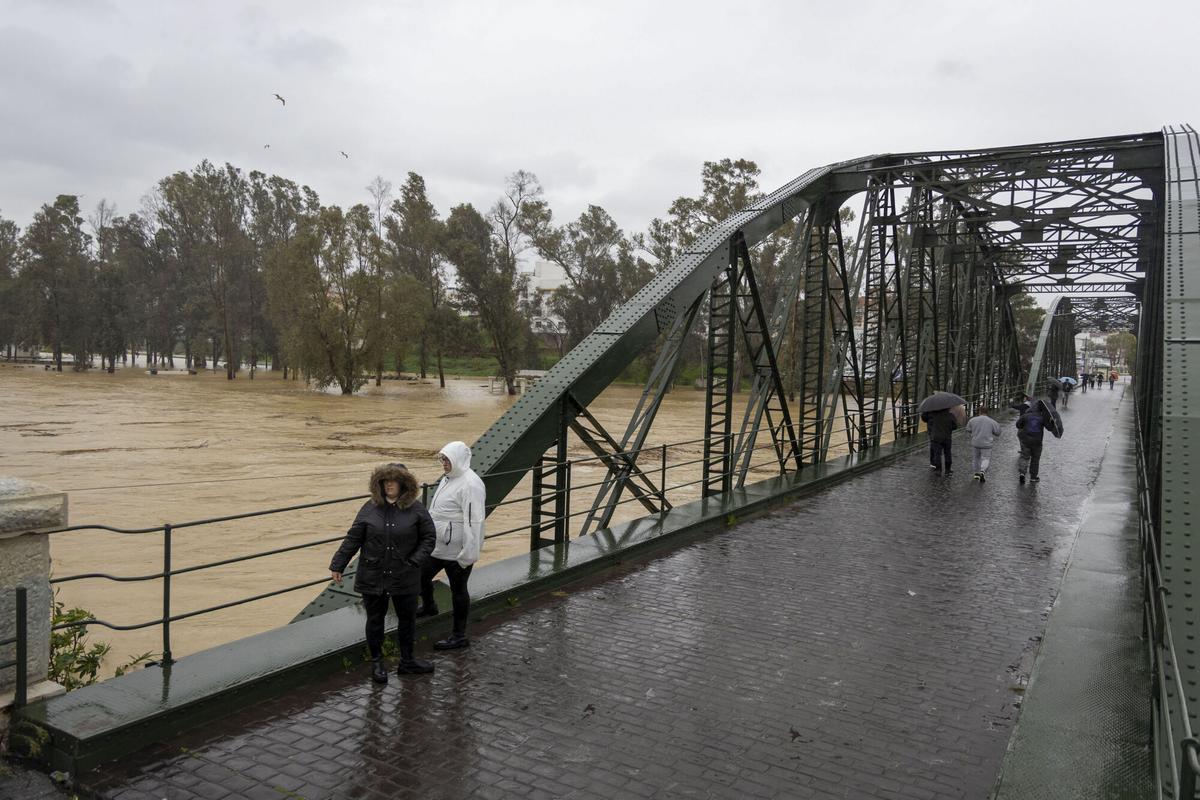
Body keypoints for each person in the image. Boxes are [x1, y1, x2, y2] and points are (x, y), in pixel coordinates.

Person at [329, 463, 436, 683]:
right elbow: (354, 538)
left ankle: (407, 662)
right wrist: (338, 564)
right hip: (373, 574)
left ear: (404, 484)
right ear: (379, 483)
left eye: (394, 481)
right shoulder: (369, 508)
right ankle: (377, 664)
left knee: (407, 619)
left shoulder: (416, 509)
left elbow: (429, 538)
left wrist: (414, 561)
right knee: (375, 619)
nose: (389, 485)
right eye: (385, 481)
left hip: (404, 575)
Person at [418, 441, 486, 650]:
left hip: (458, 551)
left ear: (457, 459)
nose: (444, 463)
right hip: (438, 546)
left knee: (458, 591)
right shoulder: (449, 478)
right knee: (419, 575)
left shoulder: (470, 484)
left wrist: (468, 553)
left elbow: (475, 520)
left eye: (447, 459)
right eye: (442, 459)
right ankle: (430, 606)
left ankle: (459, 636)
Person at [966, 406, 1002, 482]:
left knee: (976, 458)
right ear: (987, 412)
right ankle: (982, 471)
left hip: (976, 442)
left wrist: (975, 431)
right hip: (987, 444)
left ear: (979, 411)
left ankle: (976, 473)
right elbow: (998, 432)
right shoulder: (992, 421)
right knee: (986, 458)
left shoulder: (972, 420)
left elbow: (968, 429)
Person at [1015, 401, 1047, 484]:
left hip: (1026, 441)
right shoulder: (1042, 417)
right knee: (1035, 459)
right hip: (1037, 442)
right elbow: (1050, 428)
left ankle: (1022, 473)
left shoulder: (1025, 415)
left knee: (1024, 457)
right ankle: (1033, 477)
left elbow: (1018, 425)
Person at [921, 407, 957, 475]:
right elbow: (955, 426)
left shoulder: (933, 414)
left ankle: (938, 470)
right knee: (947, 453)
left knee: (937, 454)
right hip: (947, 437)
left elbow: (925, 418)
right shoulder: (950, 414)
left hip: (936, 437)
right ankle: (947, 470)